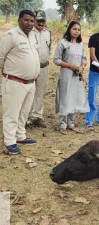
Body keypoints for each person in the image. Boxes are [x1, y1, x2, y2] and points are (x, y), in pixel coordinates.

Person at [0, 10, 40, 154]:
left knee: (24, 112)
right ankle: (9, 141)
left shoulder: (34, 36)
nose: (29, 23)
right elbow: (1, 57)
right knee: (11, 112)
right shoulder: (10, 36)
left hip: (30, 83)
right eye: (26, 20)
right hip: (14, 82)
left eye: (31, 21)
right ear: (19, 20)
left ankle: (20, 136)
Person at [53, 21, 89, 135]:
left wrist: (82, 67)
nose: (77, 31)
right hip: (66, 74)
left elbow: (84, 58)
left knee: (74, 97)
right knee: (65, 97)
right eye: (74, 29)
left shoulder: (80, 44)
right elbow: (56, 59)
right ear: (69, 30)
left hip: (76, 76)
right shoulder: (63, 43)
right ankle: (62, 124)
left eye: (78, 30)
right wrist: (70, 66)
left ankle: (71, 123)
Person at [27, 9, 52, 128]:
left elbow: (49, 48)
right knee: (28, 91)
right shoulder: (29, 32)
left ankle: (37, 116)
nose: (41, 23)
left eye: (43, 21)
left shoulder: (48, 33)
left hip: (44, 67)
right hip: (30, 67)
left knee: (40, 92)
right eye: (38, 21)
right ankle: (25, 117)